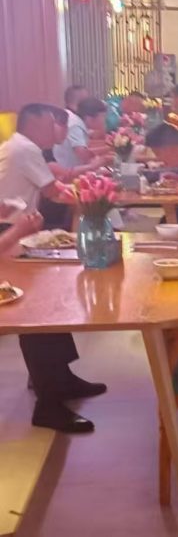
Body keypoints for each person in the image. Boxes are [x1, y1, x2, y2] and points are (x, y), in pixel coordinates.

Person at [0, 103, 106, 433]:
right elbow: (52, 192)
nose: (56, 132)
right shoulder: (24, 148)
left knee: (49, 298)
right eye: (50, 126)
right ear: (33, 125)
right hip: (9, 235)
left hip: (12, 229)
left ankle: (60, 378)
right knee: (38, 309)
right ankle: (48, 402)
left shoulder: (19, 147)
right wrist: (18, 230)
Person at [52, 96, 107, 169]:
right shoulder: (76, 126)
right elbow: (84, 155)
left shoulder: (78, 122)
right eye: (102, 116)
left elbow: (88, 146)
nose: (104, 120)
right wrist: (105, 158)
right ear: (89, 118)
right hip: (67, 171)